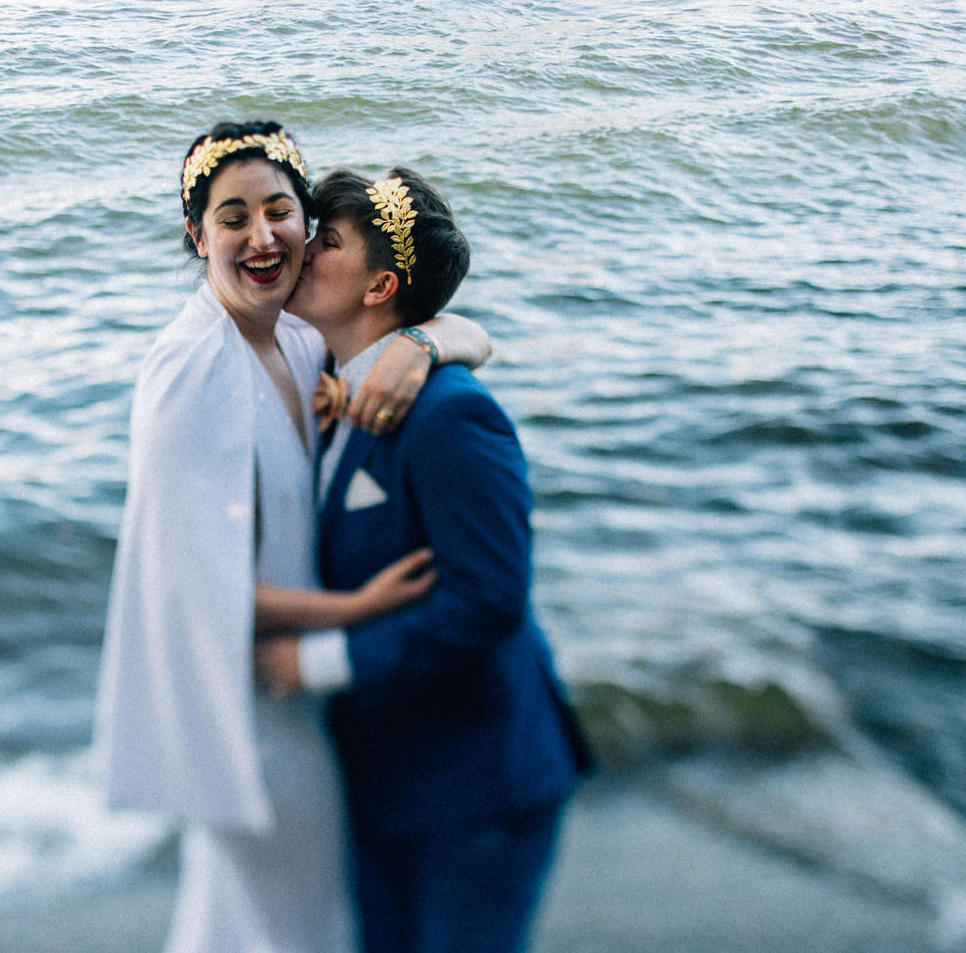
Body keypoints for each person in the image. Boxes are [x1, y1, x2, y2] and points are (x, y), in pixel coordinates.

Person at [92, 123, 491, 953]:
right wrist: (355, 608)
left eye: (280, 210)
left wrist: (421, 341)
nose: (262, 234)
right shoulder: (189, 368)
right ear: (196, 235)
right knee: (293, 926)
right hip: (248, 704)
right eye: (232, 216)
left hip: (307, 693)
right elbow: (190, 588)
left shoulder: (302, 337)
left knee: (241, 926)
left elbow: (467, 332)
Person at [259, 167, 595, 953]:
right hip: (383, 776)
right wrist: (424, 335)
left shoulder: (452, 414)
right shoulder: (323, 375)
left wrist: (318, 662)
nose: (303, 250)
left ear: (380, 285)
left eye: (327, 241)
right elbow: (463, 329)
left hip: (477, 782)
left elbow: (488, 601)